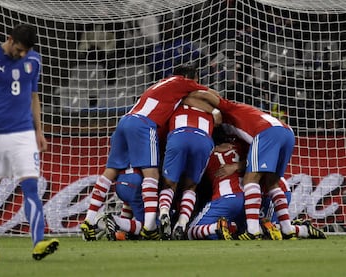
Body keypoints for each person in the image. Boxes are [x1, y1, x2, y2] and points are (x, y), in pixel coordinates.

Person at [80, 64, 220, 240]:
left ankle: (89, 220)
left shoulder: (161, 84)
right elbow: (209, 95)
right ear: (191, 79)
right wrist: (216, 110)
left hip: (125, 121)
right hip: (144, 125)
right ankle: (149, 226)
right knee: (152, 174)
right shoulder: (184, 83)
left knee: (110, 171)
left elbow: (188, 99)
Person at [0, 24, 59, 261]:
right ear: (9, 40)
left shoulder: (34, 60)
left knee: (31, 187)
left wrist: (39, 131)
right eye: (19, 49)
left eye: (25, 51)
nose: (22, 55)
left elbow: (33, 96)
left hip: (24, 135)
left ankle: (38, 243)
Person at [190, 89, 297, 240]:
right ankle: (288, 229)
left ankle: (253, 232)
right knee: (272, 183)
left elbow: (209, 97)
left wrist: (189, 94)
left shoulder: (229, 108)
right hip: (287, 132)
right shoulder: (241, 122)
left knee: (250, 179)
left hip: (266, 132)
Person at [158, 103, 216, 240]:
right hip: (202, 139)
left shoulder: (174, 106)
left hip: (178, 135)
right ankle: (182, 222)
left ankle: (164, 211)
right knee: (191, 186)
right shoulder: (211, 108)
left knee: (169, 184)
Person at [187, 135, 246, 240]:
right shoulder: (241, 147)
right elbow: (258, 159)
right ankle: (236, 227)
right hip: (249, 199)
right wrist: (237, 166)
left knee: (191, 231)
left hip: (225, 198)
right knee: (245, 230)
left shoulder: (207, 152)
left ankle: (217, 227)